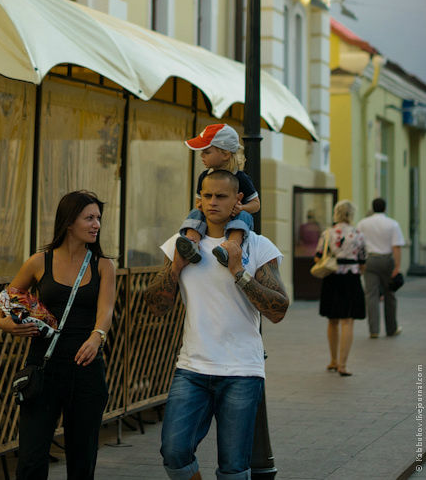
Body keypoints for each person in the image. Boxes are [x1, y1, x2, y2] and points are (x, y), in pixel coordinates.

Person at [145, 169, 288, 480]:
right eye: (207, 196)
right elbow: (156, 306)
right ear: (199, 199)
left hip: (241, 371)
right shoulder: (181, 245)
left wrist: (240, 273)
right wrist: (175, 269)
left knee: (234, 467)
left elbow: (279, 309)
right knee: (174, 451)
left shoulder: (258, 246)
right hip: (192, 367)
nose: (212, 202)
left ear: (237, 200)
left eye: (221, 196)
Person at [0, 190, 116, 480]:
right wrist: (6, 325)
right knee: (31, 460)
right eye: (89, 218)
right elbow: (3, 301)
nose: (96, 224)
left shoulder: (103, 265)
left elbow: (106, 311)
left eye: (98, 218)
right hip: (43, 368)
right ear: (69, 221)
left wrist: (97, 336)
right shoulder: (38, 262)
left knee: (82, 460)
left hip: (86, 369)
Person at [176, 123, 260, 266]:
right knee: (195, 213)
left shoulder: (241, 178)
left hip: (235, 218)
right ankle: (191, 244)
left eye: (207, 152)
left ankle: (230, 248)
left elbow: (256, 205)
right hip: (211, 219)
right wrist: (201, 205)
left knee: (245, 217)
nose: (202, 155)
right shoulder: (204, 177)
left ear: (226, 154)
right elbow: (198, 201)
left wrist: (242, 208)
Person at [314, 199, 366, 377]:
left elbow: (318, 256)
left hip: (332, 277)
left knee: (332, 319)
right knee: (347, 320)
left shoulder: (327, 233)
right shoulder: (358, 233)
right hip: (351, 278)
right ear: (351, 214)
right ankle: (343, 364)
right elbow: (363, 259)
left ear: (336, 213)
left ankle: (333, 360)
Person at [357, 197, 405, 338]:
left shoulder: (362, 223)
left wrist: (361, 263)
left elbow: (358, 244)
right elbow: (396, 247)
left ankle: (374, 330)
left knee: (371, 295)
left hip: (370, 260)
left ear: (372, 208)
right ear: (385, 208)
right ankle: (391, 329)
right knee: (390, 295)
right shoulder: (392, 224)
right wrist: (397, 266)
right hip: (387, 261)